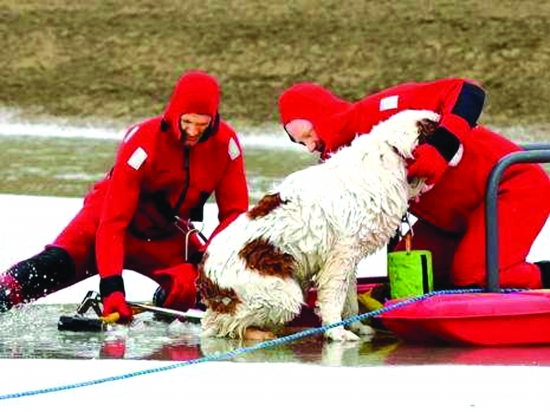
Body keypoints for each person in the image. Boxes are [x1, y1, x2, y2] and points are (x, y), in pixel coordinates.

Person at [0, 70, 249, 321]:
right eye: (186, 123)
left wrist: (199, 263)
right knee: (51, 267)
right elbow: (113, 223)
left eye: (202, 125)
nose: (193, 132)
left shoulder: (226, 146)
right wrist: (111, 288)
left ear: (214, 120)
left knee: (217, 293)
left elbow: (236, 214)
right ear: (174, 115)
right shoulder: (143, 140)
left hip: (165, 236)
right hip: (104, 225)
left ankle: (166, 299)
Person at [278, 78, 550, 290]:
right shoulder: (340, 161)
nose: (309, 146)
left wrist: (440, 148)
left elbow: (469, 92)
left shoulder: (381, 110)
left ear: (323, 115)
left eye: (308, 134)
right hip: (449, 218)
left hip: (508, 186)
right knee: (406, 279)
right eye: (301, 143)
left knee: (474, 274)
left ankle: (536, 276)